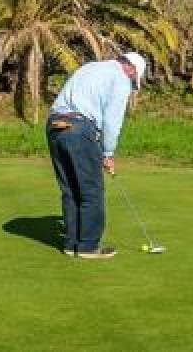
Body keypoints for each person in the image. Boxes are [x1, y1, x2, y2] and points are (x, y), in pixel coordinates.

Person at [46, 51, 146, 259]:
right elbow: (112, 121)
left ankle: (71, 243)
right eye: (133, 79)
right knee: (91, 190)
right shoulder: (120, 79)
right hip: (79, 127)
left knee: (70, 188)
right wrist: (108, 153)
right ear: (131, 69)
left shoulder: (90, 66)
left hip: (55, 125)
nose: (131, 85)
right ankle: (88, 246)